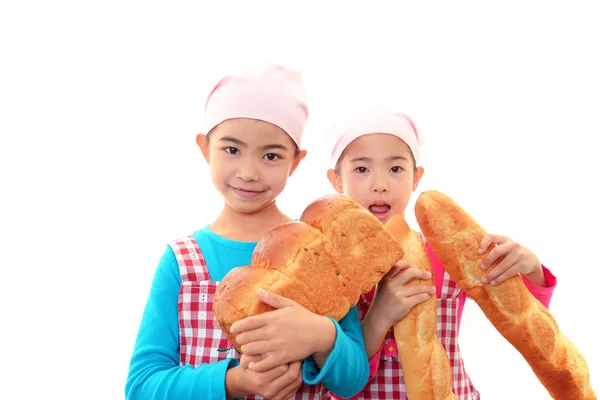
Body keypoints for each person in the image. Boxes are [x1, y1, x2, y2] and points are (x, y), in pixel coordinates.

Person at [125, 63, 369, 400]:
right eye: (232, 150)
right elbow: (141, 387)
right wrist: (234, 382)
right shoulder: (182, 263)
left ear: (294, 162)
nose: (249, 172)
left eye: (271, 155)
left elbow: (354, 379)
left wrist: (322, 335)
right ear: (204, 148)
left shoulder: (320, 249)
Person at [324, 105, 557, 399]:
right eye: (361, 169)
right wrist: (379, 316)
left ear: (416, 178)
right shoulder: (330, 266)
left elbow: (524, 320)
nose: (380, 185)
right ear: (336, 180)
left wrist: (529, 268)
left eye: (395, 169)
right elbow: (339, 374)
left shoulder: (447, 254)